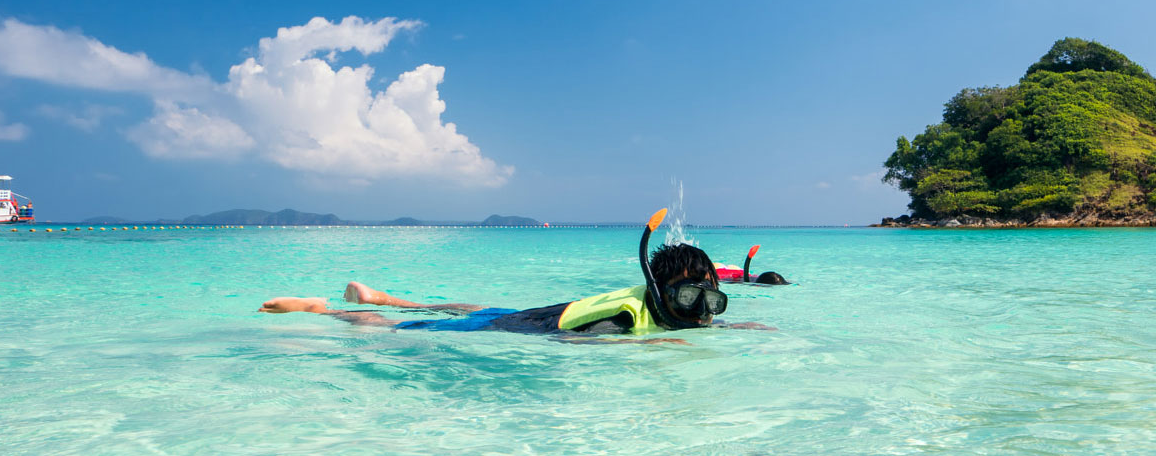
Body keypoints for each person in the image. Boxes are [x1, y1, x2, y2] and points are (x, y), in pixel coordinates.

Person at [259, 244, 774, 338]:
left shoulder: (675, 310)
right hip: (528, 324)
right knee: (399, 331)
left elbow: (698, 321)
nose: (702, 314)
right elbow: (576, 343)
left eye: (711, 303)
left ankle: (382, 294)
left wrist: (738, 325)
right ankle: (323, 310)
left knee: (473, 305)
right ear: (660, 294)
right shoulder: (619, 321)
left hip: (544, 309)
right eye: (689, 300)